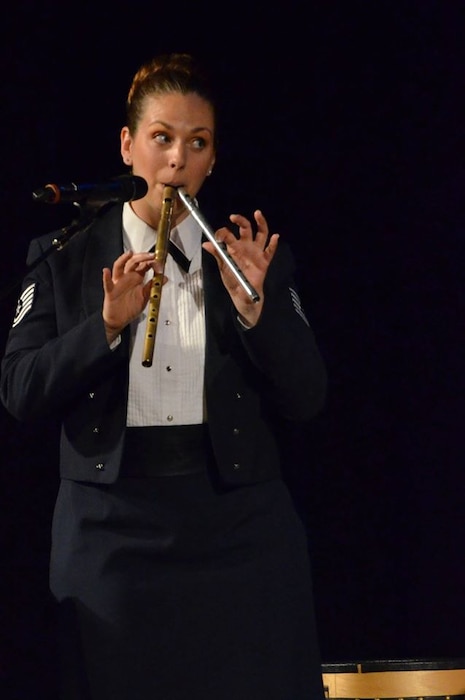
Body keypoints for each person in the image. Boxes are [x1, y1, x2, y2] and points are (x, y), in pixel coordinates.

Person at [0, 52, 328, 700]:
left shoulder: (246, 259)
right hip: (111, 529)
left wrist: (256, 315)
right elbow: (19, 390)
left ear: (211, 160)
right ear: (128, 147)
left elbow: (308, 397)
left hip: (237, 526)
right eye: (162, 138)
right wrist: (105, 328)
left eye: (196, 143)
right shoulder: (61, 256)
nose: (177, 160)